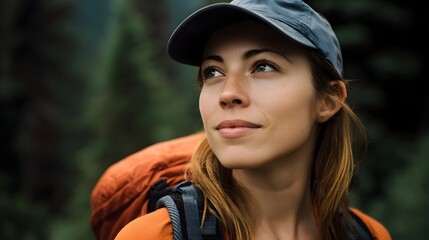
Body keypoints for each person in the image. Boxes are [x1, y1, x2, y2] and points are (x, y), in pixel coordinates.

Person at [114, 0, 392, 239]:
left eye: (263, 66)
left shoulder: (368, 234)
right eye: (212, 72)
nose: (228, 93)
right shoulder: (153, 235)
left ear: (328, 100)